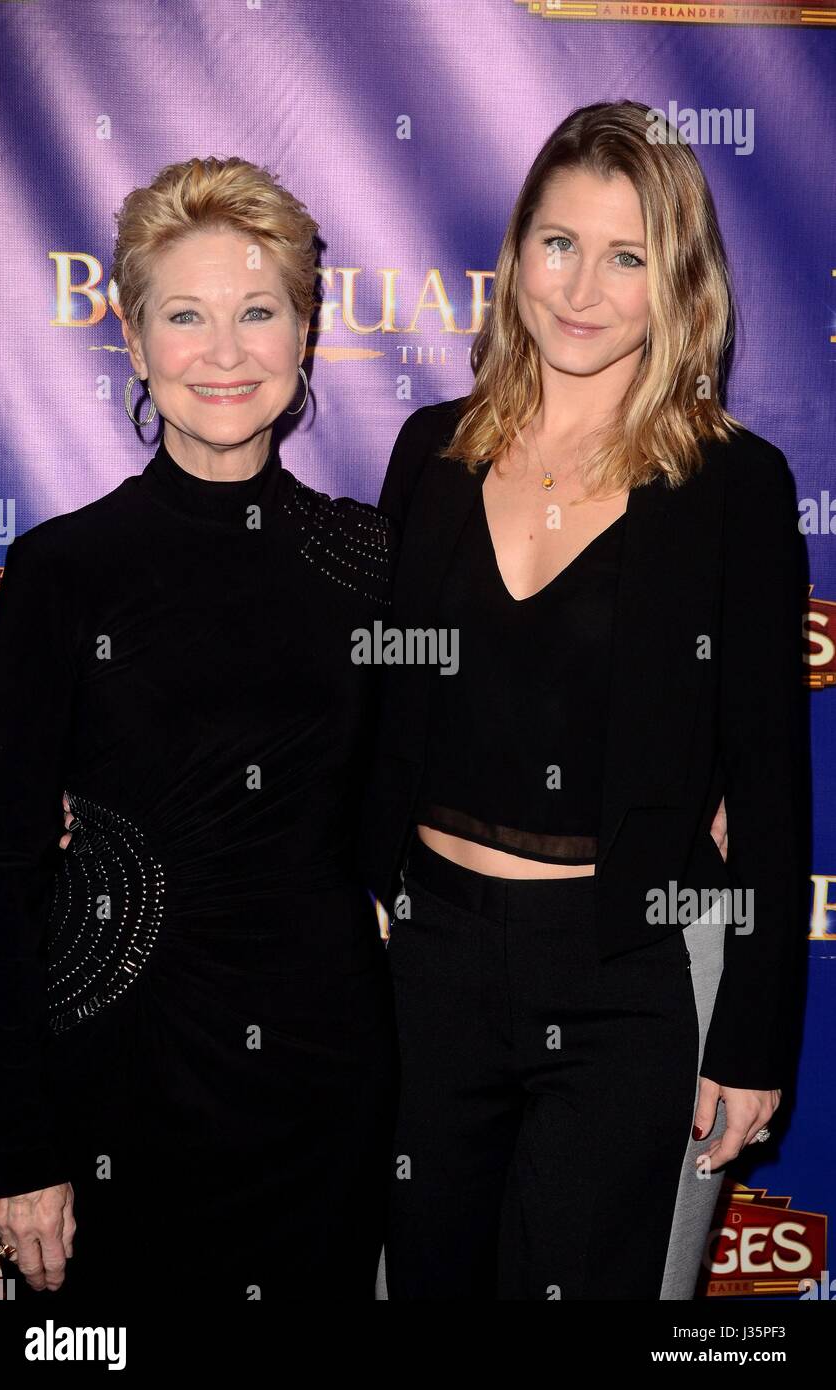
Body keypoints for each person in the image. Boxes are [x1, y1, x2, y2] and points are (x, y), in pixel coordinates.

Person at [359, 101, 809, 1300]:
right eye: (559, 243)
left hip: (625, 976)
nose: (583, 287)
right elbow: (373, 705)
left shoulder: (736, 489)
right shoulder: (431, 452)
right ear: (515, 253)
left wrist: (753, 1042)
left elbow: (771, 787)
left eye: (629, 257)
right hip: (427, 969)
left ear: (680, 287)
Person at [0, 156, 397, 1304]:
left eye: (259, 311)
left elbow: (415, 817)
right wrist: (20, 1149)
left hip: (325, 1091)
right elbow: (1, 877)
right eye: (186, 315)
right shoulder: (62, 572)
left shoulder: (368, 562)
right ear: (132, 333)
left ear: (307, 333)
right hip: (116, 1091)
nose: (224, 353)